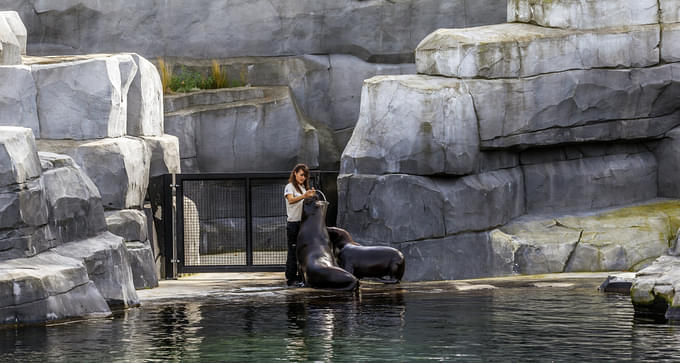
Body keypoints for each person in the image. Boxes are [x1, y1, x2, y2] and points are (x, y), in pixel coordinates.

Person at [284, 164, 315, 286]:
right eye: (301, 174)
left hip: (303, 223)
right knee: (293, 250)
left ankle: (301, 276)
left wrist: (310, 196)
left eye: (305, 176)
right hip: (293, 224)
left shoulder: (302, 188)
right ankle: (291, 278)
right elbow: (291, 200)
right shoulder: (289, 187)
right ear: (295, 173)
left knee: (302, 251)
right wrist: (304, 196)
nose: (303, 177)